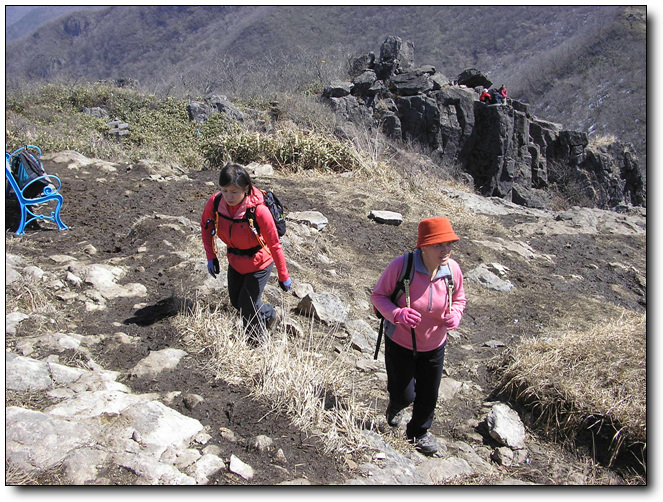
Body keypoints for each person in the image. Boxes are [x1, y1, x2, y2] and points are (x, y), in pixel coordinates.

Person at [371, 217, 466, 456]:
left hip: (435, 344)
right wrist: (397, 314)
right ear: (423, 246)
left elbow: (460, 299)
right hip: (400, 342)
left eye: (449, 244)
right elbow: (378, 296)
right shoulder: (402, 266)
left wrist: (456, 315)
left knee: (428, 395)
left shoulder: (452, 270)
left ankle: (419, 433)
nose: (445, 250)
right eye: (438, 244)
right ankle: (396, 405)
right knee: (404, 394)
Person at [201, 162, 291, 345]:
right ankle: (270, 313)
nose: (229, 196)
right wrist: (211, 256)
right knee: (236, 302)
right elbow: (206, 226)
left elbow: (274, 245)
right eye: (225, 190)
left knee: (247, 306)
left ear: (246, 189)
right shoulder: (216, 202)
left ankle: (255, 341)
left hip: (259, 263)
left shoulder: (259, 211)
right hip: (235, 260)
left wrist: (283, 276)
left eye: (234, 191)